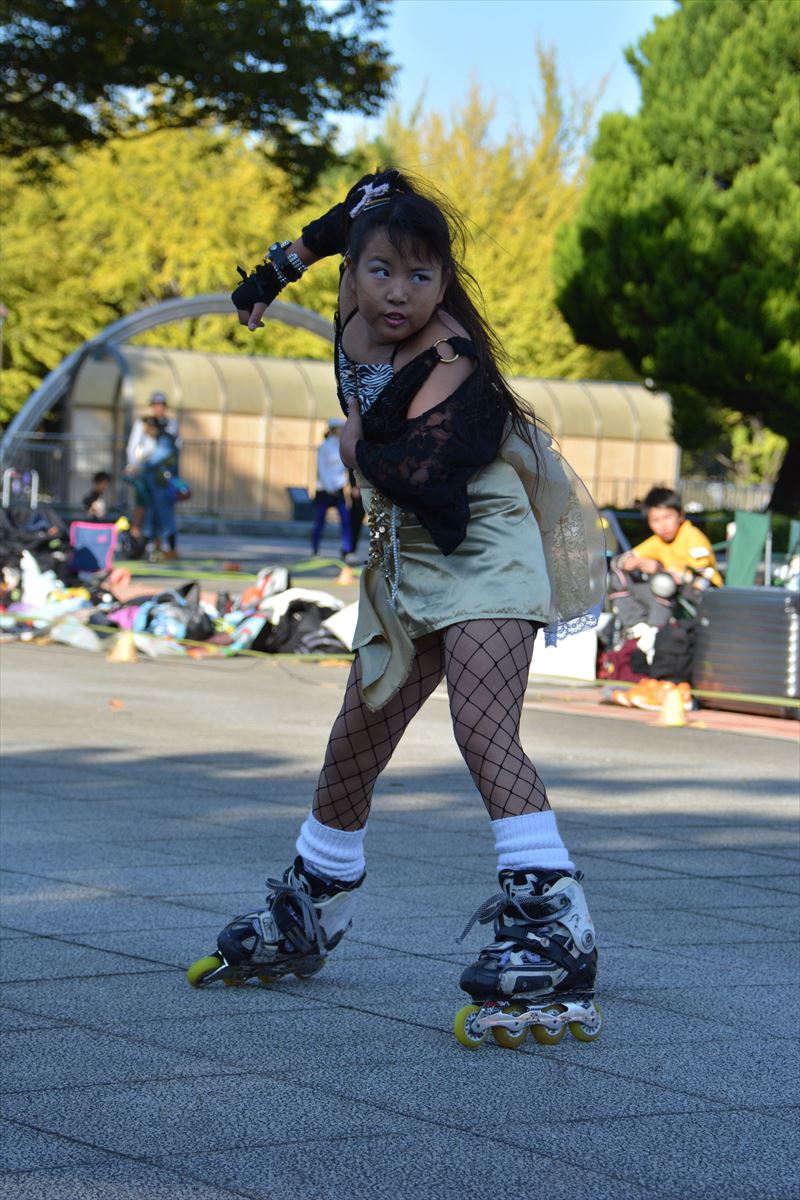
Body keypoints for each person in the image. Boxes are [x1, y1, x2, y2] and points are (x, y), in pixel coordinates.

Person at [189, 170, 606, 1045]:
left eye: (422, 277)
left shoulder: (449, 356)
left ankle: (554, 919)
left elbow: (426, 472)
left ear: (444, 285)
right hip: (407, 550)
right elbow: (351, 210)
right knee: (359, 731)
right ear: (354, 270)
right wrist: (275, 272)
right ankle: (317, 898)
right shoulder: (352, 292)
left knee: (482, 726)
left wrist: (352, 446)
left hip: (484, 542)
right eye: (380, 270)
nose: (398, 293)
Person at [608, 486, 722, 634]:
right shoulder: (657, 541)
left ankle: (655, 633)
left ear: (680, 515)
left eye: (667, 517)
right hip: (671, 595)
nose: (663, 525)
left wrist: (660, 570)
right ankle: (637, 630)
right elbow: (618, 560)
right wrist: (626, 563)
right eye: (655, 520)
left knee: (663, 582)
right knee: (618, 577)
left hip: (706, 596)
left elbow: (703, 581)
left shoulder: (693, 537)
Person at [125, 391, 181, 548]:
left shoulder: (166, 436)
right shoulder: (147, 428)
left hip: (161, 479)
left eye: (161, 405)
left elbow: (162, 456)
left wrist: (141, 465)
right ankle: (143, 543)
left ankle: (162, 544)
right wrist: (133, 465)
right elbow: (134, 447)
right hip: (147, 476)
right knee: (144, 508)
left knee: (162, 510)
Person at [310, 419, 354, 559]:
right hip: (325, 490)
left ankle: (347, 550)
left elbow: (344, 466)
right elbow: (322, 469)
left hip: (338, 489)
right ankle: (315, 550)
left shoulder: (341, 446)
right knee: (320, 521)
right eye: (340, 428)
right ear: (334, 430)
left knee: (346, 520)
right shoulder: (324, 447)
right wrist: (330, 487)